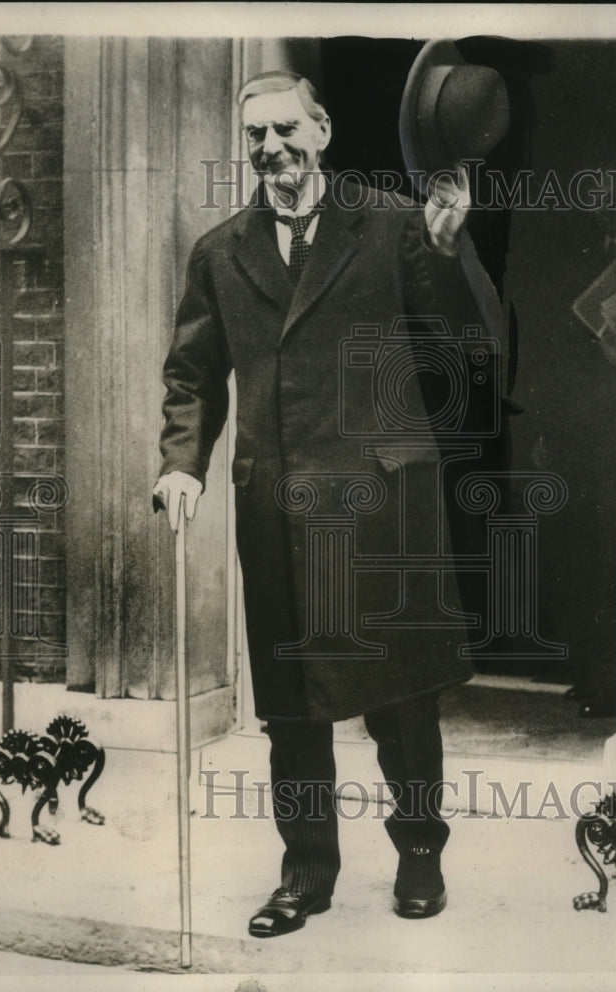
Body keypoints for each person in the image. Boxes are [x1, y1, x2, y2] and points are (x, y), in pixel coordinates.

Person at [153, 69, 500, 938]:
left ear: (323, 129)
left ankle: (419, 852)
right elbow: (193, 374)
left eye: (286, 130)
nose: (272, 149)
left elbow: (459, 344)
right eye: (256, 137)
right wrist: (182, 463)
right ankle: (305, 874)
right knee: (291, 709)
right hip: (275, 506)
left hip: (380, 497)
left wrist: (452, 249)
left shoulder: (391, 223)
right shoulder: (221, 248)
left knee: (402, 698)